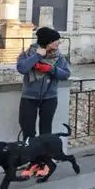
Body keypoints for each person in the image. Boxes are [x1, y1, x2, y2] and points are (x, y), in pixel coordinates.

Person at [16, 26, 71, 178]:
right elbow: (22, 68)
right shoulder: (28, 53)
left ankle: (44, 163)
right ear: (47, 42)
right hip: (29, 98)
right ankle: (32, 162)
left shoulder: (59, 57)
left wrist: (50, 70)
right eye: (55, 41)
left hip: (49, 98)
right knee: (28, 132)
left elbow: (66, 74)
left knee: (45, 133)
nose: (58, 43)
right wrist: (37, 57)